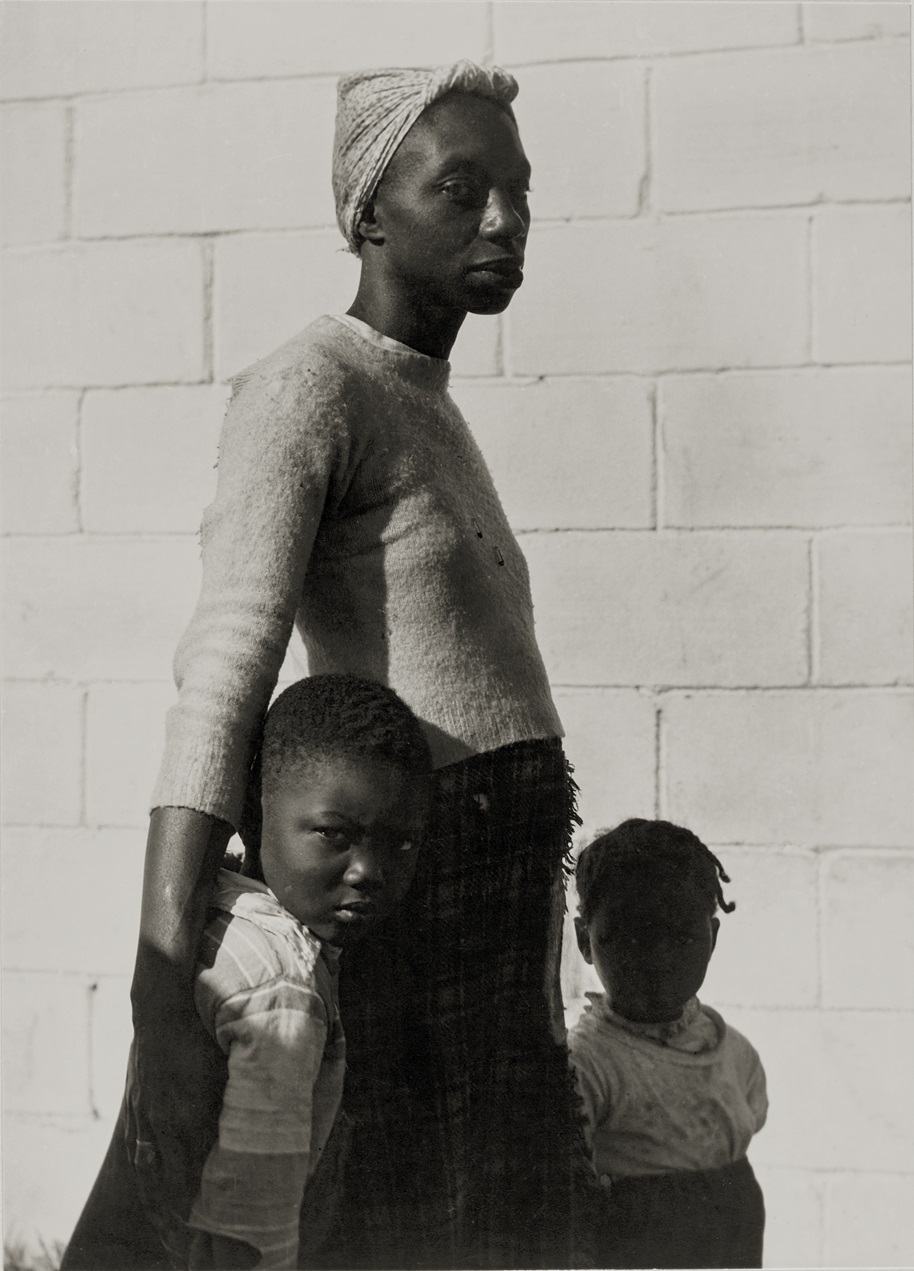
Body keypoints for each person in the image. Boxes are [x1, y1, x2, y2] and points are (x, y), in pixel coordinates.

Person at [68, 59, 598, 1271]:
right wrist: (163, 976)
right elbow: (226, 659)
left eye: (518, 192)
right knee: (382, 1217)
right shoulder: (310, 386)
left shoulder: (422, 396)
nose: (504, 221)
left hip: (495, 900)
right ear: (369, 209)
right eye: (460, 190)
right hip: (407, 892)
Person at [63, 674, 433, 1270]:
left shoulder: (215, 914)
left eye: (403, 845)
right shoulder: (283, 985)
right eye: (334, 835)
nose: (369, 871)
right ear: (254, 819)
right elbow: (251, 1217)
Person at [568, 818, 768, 1269]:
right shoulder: (587, 1065)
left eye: (681, 936)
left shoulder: (733, 1053)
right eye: (629, 936)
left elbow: (751, 1120)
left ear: (712, 938)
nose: (657, 960)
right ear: (585, 939)